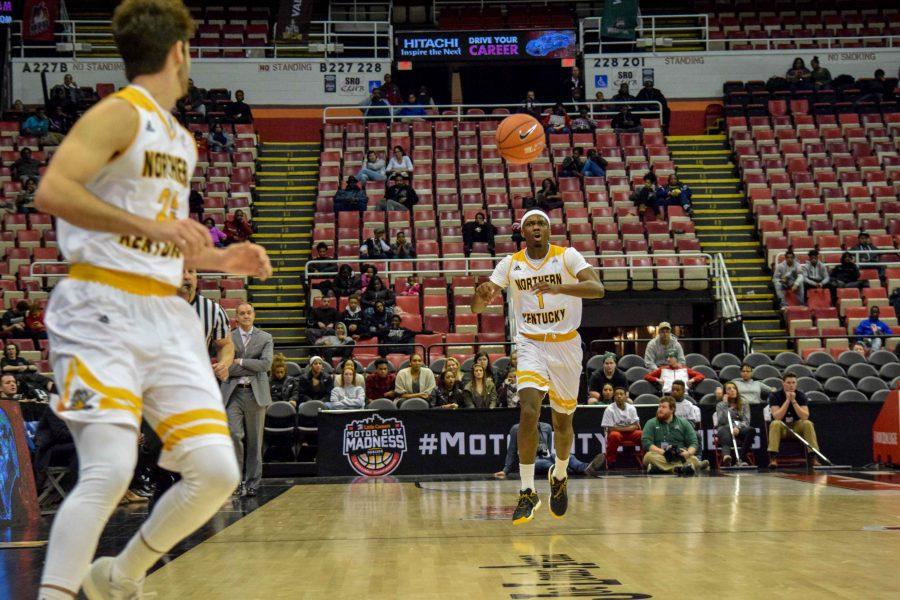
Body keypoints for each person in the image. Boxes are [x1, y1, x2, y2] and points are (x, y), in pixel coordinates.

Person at [33, 1, 273, 597]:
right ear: (178, 53)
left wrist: (217, 259)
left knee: (217, 472)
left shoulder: (181, 141)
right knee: (111, 469)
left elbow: (155, 233)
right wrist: (167, 234)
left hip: (165, 314)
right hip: (99, 308)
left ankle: (121, 575)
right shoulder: (121, 113)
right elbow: (54, 189)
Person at [473, 208, 604, 524]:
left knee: (562, 423)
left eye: (540, 223)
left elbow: (597, 289)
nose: (535, 227)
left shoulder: (567, 256)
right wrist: (480, 296)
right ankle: (527, 490)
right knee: (528, 410)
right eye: (530, 223)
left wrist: (562, 287)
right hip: (530, 343)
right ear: (522, 231)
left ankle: (559, 475)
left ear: (548, 230)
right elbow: (479, 304)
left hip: (566, 345)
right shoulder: (511, 263)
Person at [221, 303, 273, 499]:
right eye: (241, 313)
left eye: (248, 312)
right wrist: (252, 366)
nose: (245, 316)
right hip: (232, 393)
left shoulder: (266, 337)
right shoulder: (227, 338)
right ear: (236, 317)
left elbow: (266, 364)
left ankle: (252, 483)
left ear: (254, 315)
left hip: (255, 394)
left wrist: (240, 362)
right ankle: (235, 482)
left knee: (255, 441)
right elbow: (225, 368)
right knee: (234, 436)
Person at [494, 421, 605, 480]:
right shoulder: (516, 429)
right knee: (544, 463)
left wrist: (551, 455)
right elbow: (512, 450)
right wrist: (505, 470)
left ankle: (585, 467)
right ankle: (577, 471)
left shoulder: (546, 427)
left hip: (544, 455)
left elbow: (547, 450)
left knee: (567, 456)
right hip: (529, 461)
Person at [642, 396, 709, 475]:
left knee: (693, 458)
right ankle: (682, 468)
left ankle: (661, 469)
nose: (660, 409)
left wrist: (688, 453)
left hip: (679, 456)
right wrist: (663, 452)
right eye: (659, 407)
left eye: (663, 407)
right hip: (660, 455)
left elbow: (693, 442)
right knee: (648, 457)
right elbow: (646, 442)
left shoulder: (683, 423)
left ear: (672, 409)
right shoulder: (651, 423)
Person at [767, 373, 820, 469]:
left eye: (793, 383)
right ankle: (773, 458)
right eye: (788, 383)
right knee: (775, 423)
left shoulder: (801, 395)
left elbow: (805, 416)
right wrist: (787, 400)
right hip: (782, 427)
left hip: (797, 426)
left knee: (808, 423)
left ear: (796, 384)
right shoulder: (774, 396)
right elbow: (777, 416)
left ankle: (814, 457)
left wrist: (794, 401)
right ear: (783, 383)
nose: (791, 385)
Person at [601, 386, 642, 469]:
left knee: (642, 434)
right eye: (616, 394)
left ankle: (644, 459)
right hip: (617, 434)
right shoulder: (609, 409)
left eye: (621, 394)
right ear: (614, 397)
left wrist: (619, 427)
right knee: (614, 435)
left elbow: (636, 426)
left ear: (626, 396)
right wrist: (628, 427)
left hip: (630, 434)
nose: (619, 396)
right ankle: (611, 461)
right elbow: (610, 428)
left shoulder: (631, 408)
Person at [716, 381, 756, 466]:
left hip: (739, 429)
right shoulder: (720, 405)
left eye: (734, 388)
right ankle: (726, 456)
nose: (732, 390)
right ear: (725, 393)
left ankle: (741, 458)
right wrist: (725, 404)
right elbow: (722, 421)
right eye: (729, 389)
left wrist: (738, 427)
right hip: (725, 428)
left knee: (751, 430)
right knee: (725, 429)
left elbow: (746, 421)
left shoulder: (744, 404)